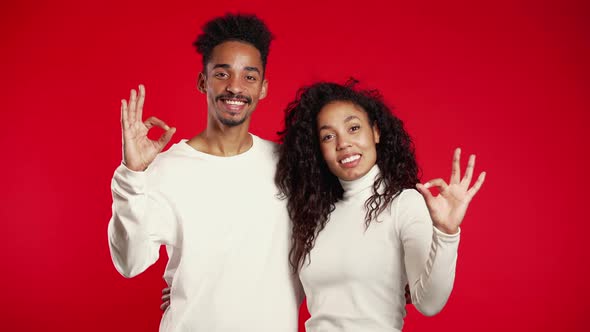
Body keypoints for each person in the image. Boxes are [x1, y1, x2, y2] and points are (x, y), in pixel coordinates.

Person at [107, 13, 301, 331]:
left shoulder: (289, 164)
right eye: (222, 74)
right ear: (203, 81)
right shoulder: (165, 169)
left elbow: (329, 238)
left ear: (263, 88)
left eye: (249, 77)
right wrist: (132, 173)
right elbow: (130, 263)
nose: (235, 87)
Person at [275, 79, 486, 331]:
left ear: (375, 132)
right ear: (318, 149)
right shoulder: (313, 214)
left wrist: (447, 233)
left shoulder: (404, 203)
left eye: (353, 128)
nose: (343, 143)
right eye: (329, 136)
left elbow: (429, 304)